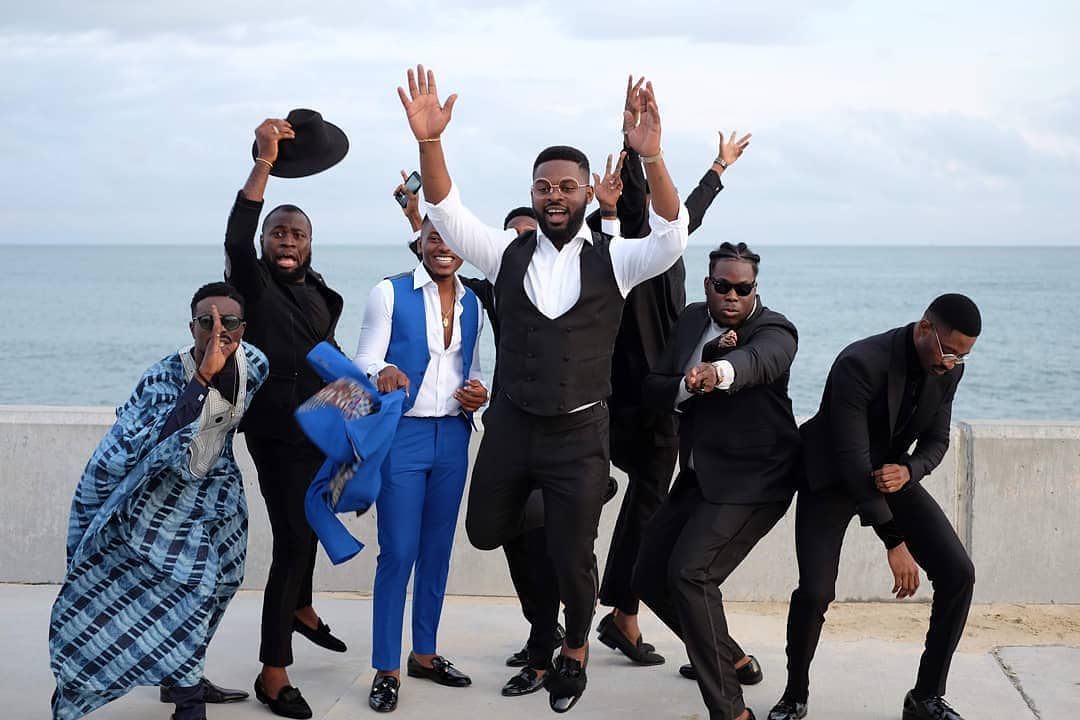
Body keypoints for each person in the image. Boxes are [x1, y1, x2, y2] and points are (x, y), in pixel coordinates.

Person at [398, 64, 688, 712]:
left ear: (584, 193)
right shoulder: (505, 252)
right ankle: (567, 508)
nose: (554, 195)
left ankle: (574, 648)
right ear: (532, 194)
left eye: (566, 186)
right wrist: (430, 142)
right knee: (484, 529)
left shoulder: (616, 258)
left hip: (579, 431)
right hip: (512, 426)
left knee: (572, 555)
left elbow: (672, 235)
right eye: (543, 186)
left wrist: (653, 156)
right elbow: (445, 209)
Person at [589, 76, 755, 670]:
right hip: (642, 401)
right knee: (650, 507)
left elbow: (687, 212)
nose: (669, 212)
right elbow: (636, 203)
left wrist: (719, 166)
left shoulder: (671, 242)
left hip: (669, 398)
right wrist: (631, 142)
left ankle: (625, 613)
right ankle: (631, 615)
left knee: (650, 504)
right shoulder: (624, 249)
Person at [49, 283, 269, 720]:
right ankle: (188, 703)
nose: (218, 332)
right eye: (206, 322)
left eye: (228, 322)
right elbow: (147, 441)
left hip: (220, 492)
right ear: (191, 327)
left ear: (243, 328)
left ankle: (180, 673)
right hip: (161, 497)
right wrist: (203, 378)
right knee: (191, 589)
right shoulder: (163, 376)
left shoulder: (255, 365)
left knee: (224, 582)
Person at [768, 294, 981, 720]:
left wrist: (909, 469)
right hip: (831, 477)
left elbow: (937, 440)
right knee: (815, 591)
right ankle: (794, 694)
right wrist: (894, 541)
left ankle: (925, 697)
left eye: (962, 356)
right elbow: (851, 459)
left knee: (958, 573)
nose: (952, 363)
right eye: (949, 351)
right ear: (925, 328)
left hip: (889, 475)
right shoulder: (860, 363)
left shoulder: (948, 371)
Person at [396, 172, 568, 694]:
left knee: (549, 541)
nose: (522, 246)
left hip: (563, 435)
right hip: (508, 430)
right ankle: (544, 631)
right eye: (512, 238)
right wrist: (417, 217)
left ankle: (550, 648)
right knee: (512, 536)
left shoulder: (572, 289)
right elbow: (439, 266)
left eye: (530, 237)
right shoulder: (491, 290)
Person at [633, 243, 800, 720]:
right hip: (700, 476)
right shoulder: (691, 320)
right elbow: (654, 387)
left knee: (692, 574)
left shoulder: (775, 330)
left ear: (755, 290)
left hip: (756, 480)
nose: (732, 296)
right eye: (723, 286)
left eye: (743, 289)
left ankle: (731, 711)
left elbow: (757, 362)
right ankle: (730, 657)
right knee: (648, 576)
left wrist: (718, 370)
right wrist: (688, 384)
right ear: (708, 284)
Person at [225, 115, 347, 720]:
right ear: (266, 241)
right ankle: (273, 673)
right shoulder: (253, 284)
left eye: (298, 234)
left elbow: (331, 359)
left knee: (312, 525)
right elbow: (237, 235)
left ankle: (301, 606)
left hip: (324, 429)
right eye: (278, 233)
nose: (288, 241)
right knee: (294, 541)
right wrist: (265, 163)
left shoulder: (321, 295)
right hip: (275, 434)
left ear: (310, 243)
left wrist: (364, 403)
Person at [355, 214, 489, 713]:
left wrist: (479, 393)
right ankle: (386, 667)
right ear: (420, 241)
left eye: (451, 239)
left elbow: (472, 367)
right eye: (434, 237)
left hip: (453, 435)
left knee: (437, 551)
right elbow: (363, 359)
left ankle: (425, 654)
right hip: (403, 437)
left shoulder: (474, 303)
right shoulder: (388, 293)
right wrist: (384, 368)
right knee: (398, 552)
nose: (443, 246)